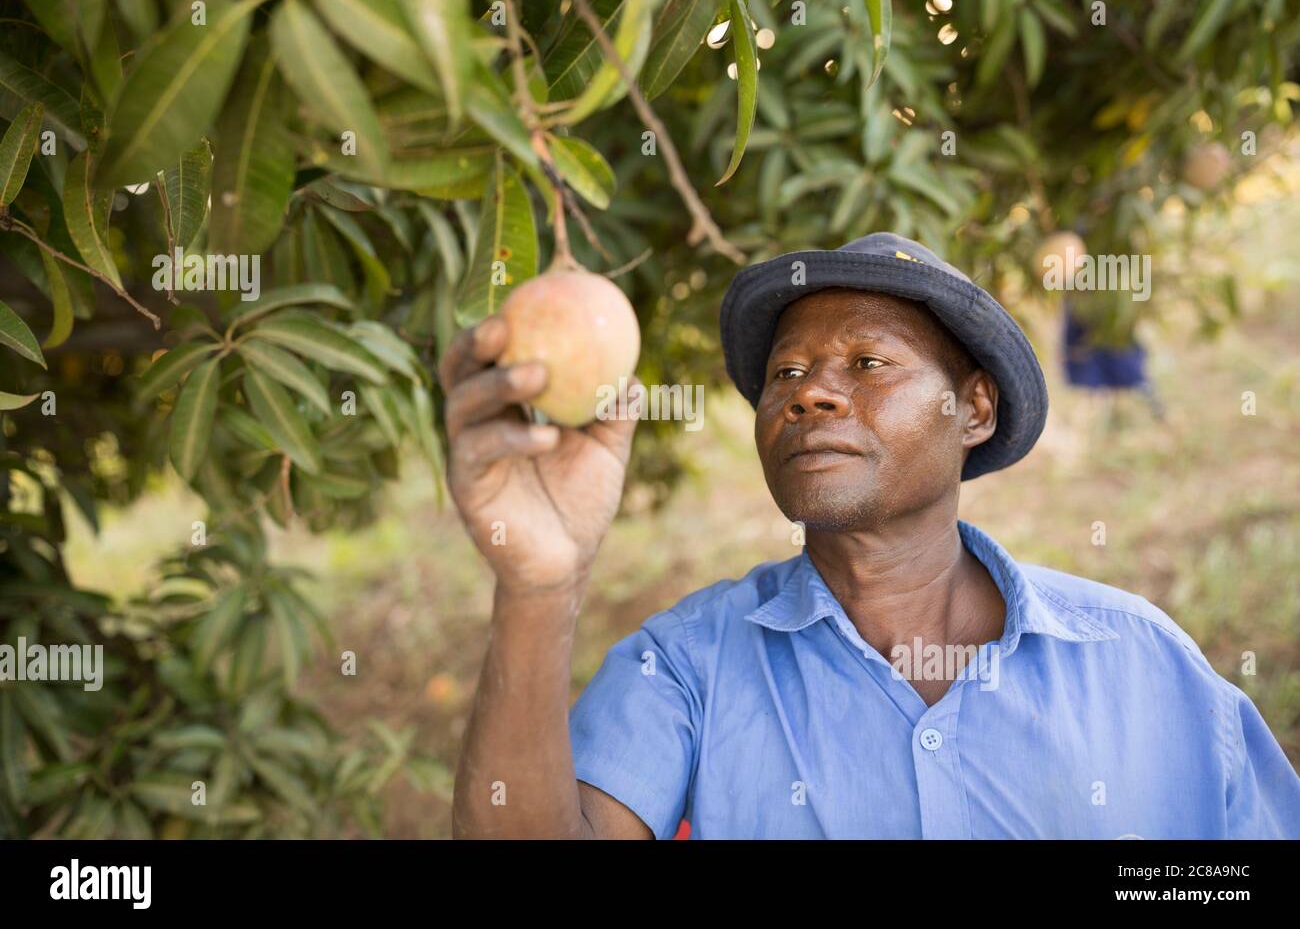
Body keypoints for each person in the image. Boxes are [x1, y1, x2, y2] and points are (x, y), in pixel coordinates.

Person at [444, 232, 1300, 839]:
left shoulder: (1141, 663)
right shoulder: (683, 668)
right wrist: (538, 584)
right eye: (787, 371)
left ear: (972, 408)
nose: (809, 393)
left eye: (867, 363)